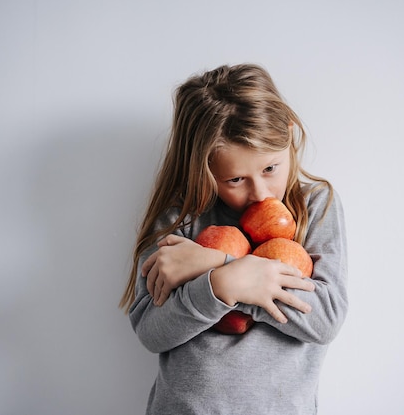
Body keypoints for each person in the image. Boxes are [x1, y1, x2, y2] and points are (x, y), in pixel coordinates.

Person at [119, 63, 348, 415]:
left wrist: (219, 268)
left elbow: (324, 320)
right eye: (236, 180)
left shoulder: (314, 206)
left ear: (288, 136)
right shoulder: (182, 218)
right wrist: (218, 287)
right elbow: (152, 331)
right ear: (203, 169)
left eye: (270, 169)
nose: (260, 193)